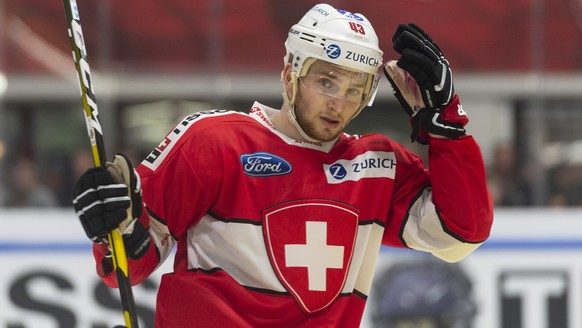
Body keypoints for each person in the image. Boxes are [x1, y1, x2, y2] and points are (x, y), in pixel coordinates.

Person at [72, 3, 493, 327]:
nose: (338, 102)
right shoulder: (213, 141)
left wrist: (446, 126)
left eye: (354, 89)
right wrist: (119, 229)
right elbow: (129, 265)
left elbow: (460, 234)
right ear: (290, 73)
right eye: (325, 81)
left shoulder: (376, 166)